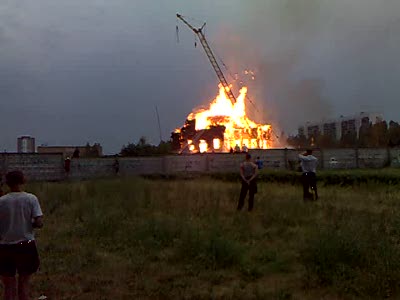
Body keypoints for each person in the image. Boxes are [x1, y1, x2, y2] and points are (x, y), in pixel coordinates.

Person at [0, 171, 43, 300]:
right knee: (24, 282)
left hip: (5, 245)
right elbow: (39, 222)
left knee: (8, 283)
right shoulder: (31, 198)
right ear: (23, 181)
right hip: (26, 244)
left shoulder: (1, 201)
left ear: (7, 183)